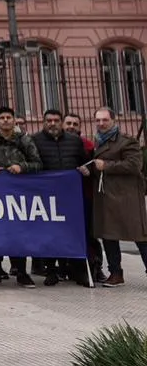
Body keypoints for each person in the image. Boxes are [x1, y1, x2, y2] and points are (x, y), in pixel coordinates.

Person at [84, 106, 147, 287]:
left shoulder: (127, 141)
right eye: (98, 120)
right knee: (108, 235)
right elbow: (98, 166)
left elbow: (134, 165)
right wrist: (89, 169)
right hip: (105, 197)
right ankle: (115, 273)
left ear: (113, 120)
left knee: (140, 236)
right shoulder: (97, 142)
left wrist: (107, 166)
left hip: (126, 197)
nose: (101, 124)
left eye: (105, 120)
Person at [0, 105, 41, 288]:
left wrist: (22, 167)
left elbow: (37, 163)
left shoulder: (24, 139)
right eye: (2, 118)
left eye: (8, 117)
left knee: (19, 233)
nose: (5, 120)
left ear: (14, 120)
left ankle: (21, 272)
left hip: (19, 194)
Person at [33, 108, 88, 285]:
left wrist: (86, 169)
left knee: (74, 232)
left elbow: (84, 161)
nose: (52, 123)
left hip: (71, 195)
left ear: (61, 122)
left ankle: (77, 270)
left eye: (56, 120)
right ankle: (51, 270)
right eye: (49, 120)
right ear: (44, 122)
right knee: (49, 233)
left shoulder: (74, 141)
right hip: (46, 195)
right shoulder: (35, 140)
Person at [64, 112, 105, 282]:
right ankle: (69, 268)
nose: (71, 126)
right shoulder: (55, 144)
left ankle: (97, 267)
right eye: (68, 123)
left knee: (89, 233)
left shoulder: (88, 146)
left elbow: (97, 169)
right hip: (63, 198)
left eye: (75, 124)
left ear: (80, 127)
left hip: (85, 196)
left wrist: (89, 172)